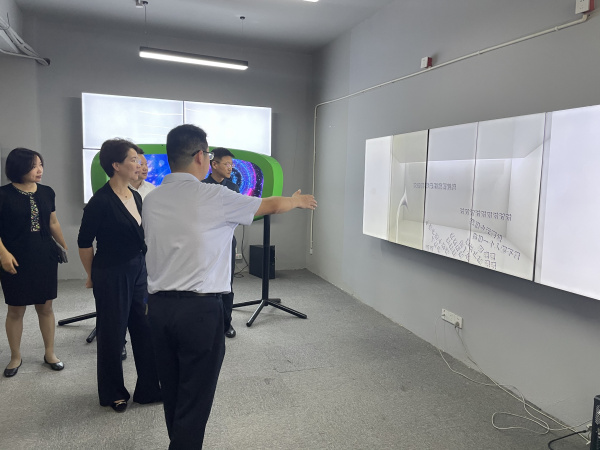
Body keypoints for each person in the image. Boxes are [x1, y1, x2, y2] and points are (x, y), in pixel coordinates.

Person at [143, 124, 317, 449]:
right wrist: (295, 201)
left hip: (158, 310)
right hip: (198, 312)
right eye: (209, 154)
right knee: (195, 399)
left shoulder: (151, 199)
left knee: (174, 390)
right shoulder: (215, 196)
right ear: (200, 156)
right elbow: (270, 205)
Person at [77, 138, 161, 413]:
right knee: (112, 333)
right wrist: (91, 275)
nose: (139, 164)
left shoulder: (135, 196)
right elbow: (84, 242)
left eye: (138, 160)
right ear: (116, 165)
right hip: (111, 272)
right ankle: (113, 392)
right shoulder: (100, 201)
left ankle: (148, 389)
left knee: (144, 328)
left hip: (138, 270)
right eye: (133, 160)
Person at [0, 148, 68, 377]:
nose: (39, 170)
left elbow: (53, 222)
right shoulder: (3, 194)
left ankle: (50, 353)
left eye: (40, 165)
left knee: (46, 307)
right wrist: (3, 254)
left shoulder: (47, 192)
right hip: (15, 257)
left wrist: (63, 244)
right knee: (15, 309)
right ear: (18, 167)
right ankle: (15, 356)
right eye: (33, 166)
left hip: (44, 256)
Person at [201, 147, 239, 338]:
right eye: (227, 164)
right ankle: (207, 323)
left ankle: (226, 323)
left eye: (231, 164)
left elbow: (237, 214)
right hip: (205, 242)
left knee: (226, 283)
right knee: (205, 282)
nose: (230, 167)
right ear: (214, 164)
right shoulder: (201, 186)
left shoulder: (233, 188)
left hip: (227, 241)